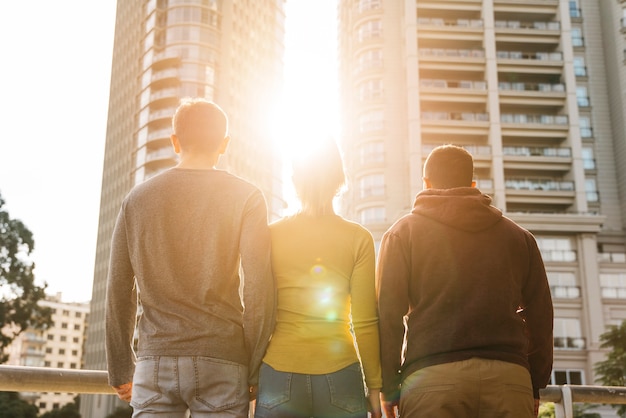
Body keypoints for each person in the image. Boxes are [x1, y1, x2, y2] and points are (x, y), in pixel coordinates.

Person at [105, 98, 276, 417]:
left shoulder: (136, 200)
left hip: (154, 361)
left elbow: (118, 290)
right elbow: (258, 291)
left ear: (174, 141)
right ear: (224, 144)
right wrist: (254, 367)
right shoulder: (247, 197)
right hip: (223, 361)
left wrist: (120, 368)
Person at [376, 144, 553, 417]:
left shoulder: (402, 234)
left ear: (426, 183)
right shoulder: (520, 238)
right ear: (472, 184)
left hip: (431, 379)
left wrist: (388, 387)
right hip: (509, 379)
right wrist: (534, 383)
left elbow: (388, 315)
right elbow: (541, 316)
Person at [254, 138, 382, 418]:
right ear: (340, 179)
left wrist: (251, 375)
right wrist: (374, 388)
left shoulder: (269, 235)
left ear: (295, 179)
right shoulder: (358, 238)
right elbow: (365, 322)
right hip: (341, 375)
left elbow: (257, 309)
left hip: (278, 371)